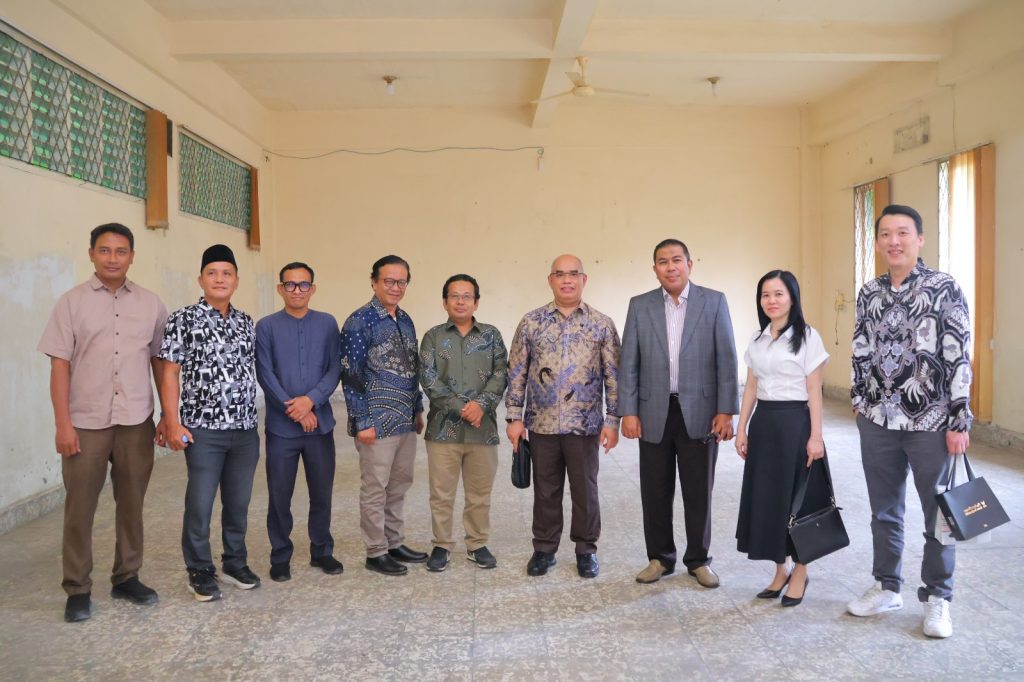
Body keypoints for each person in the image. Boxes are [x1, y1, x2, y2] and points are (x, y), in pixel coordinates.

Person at [847, 204, 973, 639]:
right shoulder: (869, 293)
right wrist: (859, 399)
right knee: (884, 511)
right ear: (878, 241)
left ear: (919, 239)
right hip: (878, 420)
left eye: (903, 233)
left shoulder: (943, 288)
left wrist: (959, 419)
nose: (894, 241)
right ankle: (887, 586)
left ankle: (939, 597)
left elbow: (958, 354)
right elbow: (860, 348)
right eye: (885, 234)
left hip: (931, 422)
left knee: (940, 514)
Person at [38, 223, 168, 622]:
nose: (113, 258)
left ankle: (127, 576)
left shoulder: (151, 304)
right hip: (85, 423)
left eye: (121, 251)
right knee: (79, 509)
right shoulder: (71, 303)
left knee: (131, 504)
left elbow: (160, 362)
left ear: (132, 256)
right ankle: (77, 588)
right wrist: (63, 425)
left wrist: (167, 414)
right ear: (91, 253)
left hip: (135, 421)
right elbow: (59, 367)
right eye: (105, 250)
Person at [619, 239, 738, 588]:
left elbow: (727, 359)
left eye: (676, 260)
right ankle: (659, 558)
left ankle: (699, 560)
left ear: (689, 264)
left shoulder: (713, 302)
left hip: (701, 412)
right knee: (655, 491)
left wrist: (726, 410)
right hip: (652, 411)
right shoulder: (639, 305)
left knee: (698, 491)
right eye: (662, 261)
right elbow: (629, 364)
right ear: (654, 269)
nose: (670, 267)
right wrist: (628, 411)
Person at [506, 254, 620, 579]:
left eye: (573, 274)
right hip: (541, 424)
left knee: (585, 490)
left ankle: (586, 550)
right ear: (550, 280)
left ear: (584, 279)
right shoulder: (531, 322)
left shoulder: (602, 324)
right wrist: (514, 417)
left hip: (585, 425)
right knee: (546, 489)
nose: (567, 280)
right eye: (560, 274)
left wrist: (612, 420)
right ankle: (544, 549)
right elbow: (517, 372)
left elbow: (614, 376)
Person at [159, 244, 261, 602]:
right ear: (201, 279)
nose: (220, 279)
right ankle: (199, 569)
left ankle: (234, 562)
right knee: (200, 503)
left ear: (236, 280)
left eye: (227, 273)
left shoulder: (245, 322)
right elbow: (169, 373)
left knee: (238, 502)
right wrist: (171, 422)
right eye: (212, 273)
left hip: (244, 429)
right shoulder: (183, 319)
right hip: (203, 429)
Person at [734, 270, 830, 607]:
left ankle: (801, 571)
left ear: (792, 297)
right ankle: (781, 569)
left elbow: (814, 389)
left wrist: (816, 436)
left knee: (798, 501)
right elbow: (751, 386)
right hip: (765, 424)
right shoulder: (758, 339)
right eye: (765, 295)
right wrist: (742, 427)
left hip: (796, 424)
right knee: (769, 499)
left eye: (778, 294)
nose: (771, 301)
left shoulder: (808, 337)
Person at [256, 262, 343, 582]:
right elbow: (265, 373)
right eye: (290, 285)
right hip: (282, 429)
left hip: (320, 426)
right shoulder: (266, 326)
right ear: (280, 288)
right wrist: (296, 409)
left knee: (322, 492)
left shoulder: (327, 323)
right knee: (280, 495)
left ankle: (322, 550)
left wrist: (311, 401)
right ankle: (280, 555)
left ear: (313, 288)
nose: (297, 290)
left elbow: (334, 368)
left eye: (303, 284)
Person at [340, 255, 427, 576]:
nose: (395, 287)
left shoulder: (405, 319)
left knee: (399, 484)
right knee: (375, 487)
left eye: (401, 281)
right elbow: (350, 374)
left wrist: (417, 408)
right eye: (389, 281)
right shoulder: (359, 321)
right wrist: (361, 421)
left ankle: (394, 542)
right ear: (374, 282)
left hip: (405, 419)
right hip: (375, 422)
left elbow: (411, 368)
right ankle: (376, 551)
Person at [419, 274, 508, 572]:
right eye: (454, 296)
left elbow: (501, 374)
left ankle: (477, 543)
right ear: (444, 302)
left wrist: (481, 405)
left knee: (479, 493)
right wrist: (462, 408)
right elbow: (429, 379)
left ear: (476, 302)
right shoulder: (433, 337)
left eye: (466, 296)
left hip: (483, 430)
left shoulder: (492, 335)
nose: (460, 301)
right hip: (443, 430)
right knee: (441, 494)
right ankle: (442, 545)